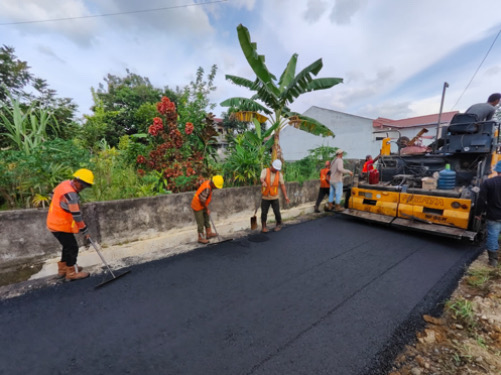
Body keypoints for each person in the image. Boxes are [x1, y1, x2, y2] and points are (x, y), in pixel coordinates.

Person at [46, 169, 94, 281]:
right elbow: (77, 216)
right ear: (76, 180)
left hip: (54, 223)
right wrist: (85, 231)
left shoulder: (64, 184)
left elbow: (52, 195)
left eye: (86, 186)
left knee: (67, 246)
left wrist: (63, 206)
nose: (83, 188)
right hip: (60, 225)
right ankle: (72, 273)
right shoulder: (71, 194)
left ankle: (63, 270)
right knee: (73, 247)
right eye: (82, 185)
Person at [475, 161, 501, 267]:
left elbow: (481, 200)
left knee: (492, 236)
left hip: (494, 215)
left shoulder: (488, 183)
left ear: (497, 170)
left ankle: (493, 261)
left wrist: (478, 213)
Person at [191, 175, 224, 244]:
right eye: (216, 186)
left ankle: (209, 233)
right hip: (197, 205)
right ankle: (201, 238)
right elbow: (202, 200)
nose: (216, 188)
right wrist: (207, 208)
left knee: (206, 218)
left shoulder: (208, 182)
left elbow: (199, 183)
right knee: (201, 222)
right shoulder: (207, 188)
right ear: (214, 184)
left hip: (202, 204)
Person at [260, 159, 290, 232]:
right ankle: (263, 227)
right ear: (272, 166)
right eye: (275, 168)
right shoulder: (265, 171)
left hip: (274, 197)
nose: (276, 170)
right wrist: (263, 182)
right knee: (264, 212)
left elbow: (282, 186)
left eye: (277, 169)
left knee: (277, 212)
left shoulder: (279, 174)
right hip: (265, 197)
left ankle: (278, 224)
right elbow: (261, 178)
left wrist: (286, 196)